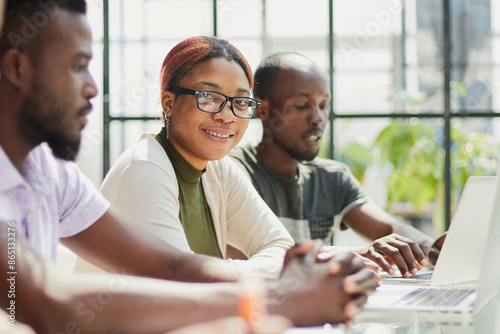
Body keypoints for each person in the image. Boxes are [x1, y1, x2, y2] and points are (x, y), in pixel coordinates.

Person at [0, 1, 377, 332]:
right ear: (16, 68)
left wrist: (290, 285)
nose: (93, 88)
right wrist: (277, 299)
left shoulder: (50, 174)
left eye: (239, 102)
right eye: (77, 66)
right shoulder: (143, 168)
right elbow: (49, 304)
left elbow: (174, 266)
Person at [229, 52, 446, 278]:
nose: (318, 118)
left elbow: (390, 229)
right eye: (302, 105)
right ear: (263, 110)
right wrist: (355, 253)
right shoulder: (233, 173)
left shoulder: (332, 178)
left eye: (323, 105)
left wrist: (432, 247)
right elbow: (252, 262)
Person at [94, 36, 294, 277]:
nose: (227, 116)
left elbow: (282, 248)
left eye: (240, 102)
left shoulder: (221, 170)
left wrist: (220, 270)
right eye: (208, 97)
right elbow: (180, 280)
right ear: (169, 103)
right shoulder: (144, 169)